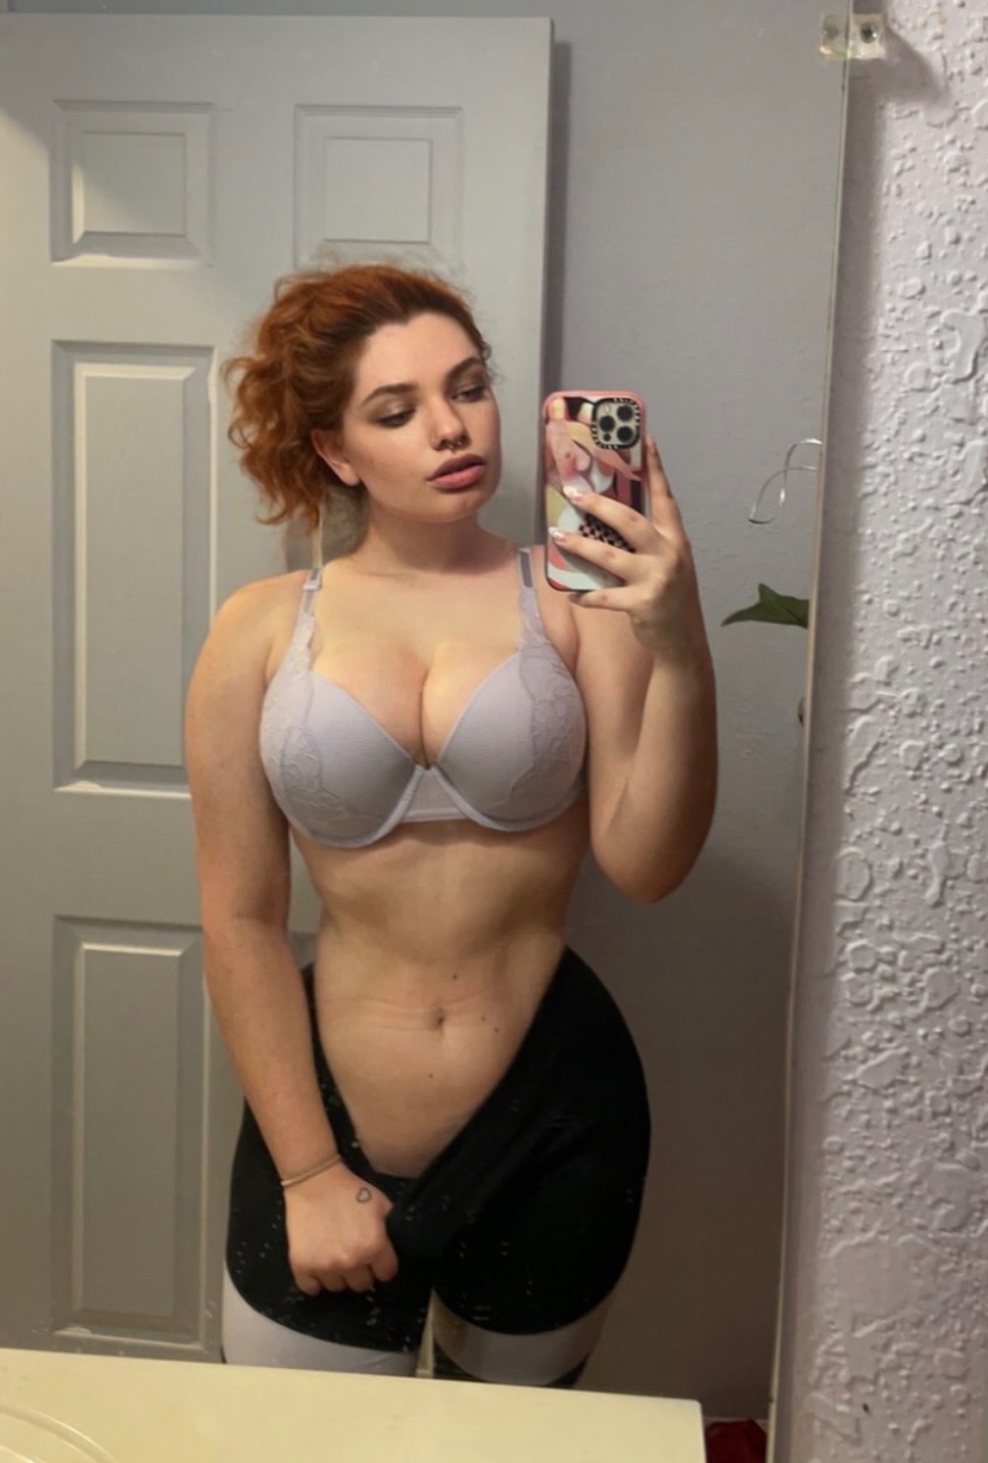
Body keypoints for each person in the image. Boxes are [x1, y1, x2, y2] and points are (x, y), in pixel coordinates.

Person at [184, 263, 718, 1385]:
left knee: (516, 1451)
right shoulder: (261, 629)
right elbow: (239, 918)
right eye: (397, 410)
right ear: (337, 452)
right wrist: (306, 1174)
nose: (450, 426)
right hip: (323, 1118)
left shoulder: (576, 602)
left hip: (554, 1113)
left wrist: (678, 643)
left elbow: (646, 864)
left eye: (468, 387)